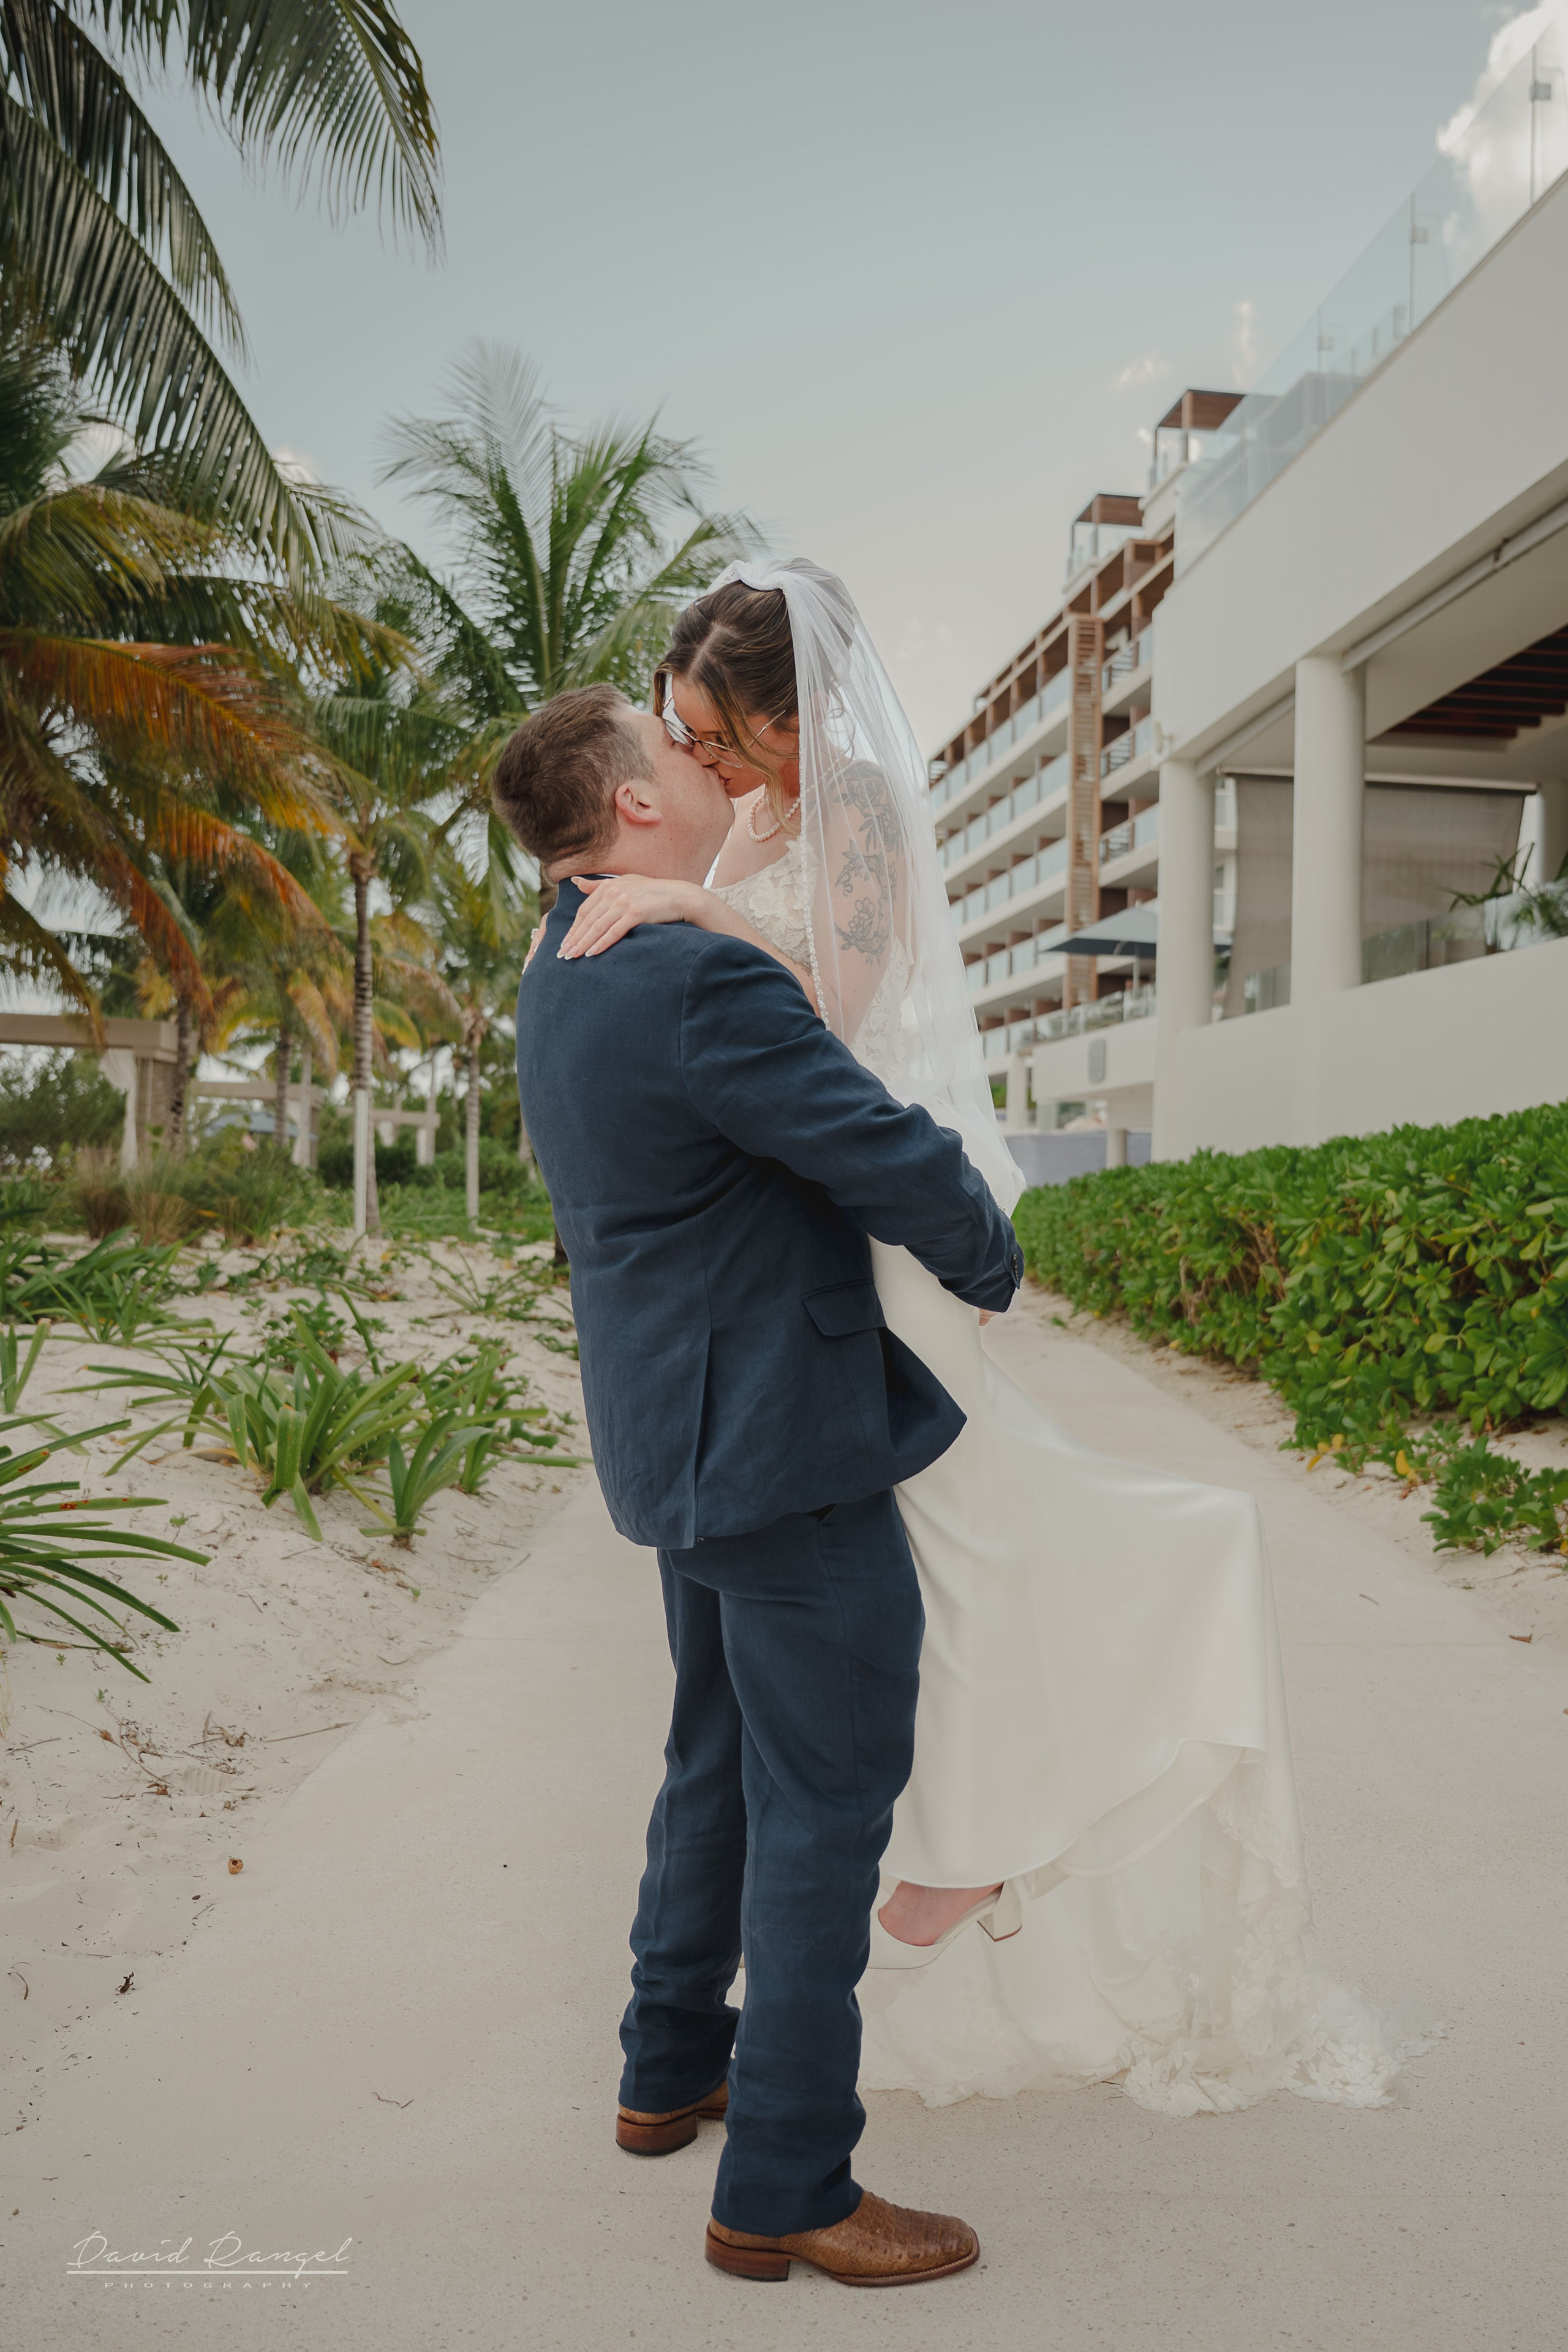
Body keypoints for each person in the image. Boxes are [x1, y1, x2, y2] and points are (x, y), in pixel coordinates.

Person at [551, 557, 1414, 2117]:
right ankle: (964, 1847)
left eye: (716, 729)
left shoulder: (854, 814)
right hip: (787, 1292)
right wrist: (705, 886)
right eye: (679, 731)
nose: (701, 759)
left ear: (782, 712)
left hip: (846, 1257)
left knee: (966, 1550)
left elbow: (836, 1026)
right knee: (918, 1580)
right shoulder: (746, 825)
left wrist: (693, 903)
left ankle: (948, 1859)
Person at [494, 682, 1024, 2288]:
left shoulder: (566, 957)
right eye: (677, 751)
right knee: (827, 1802)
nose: (706, 763)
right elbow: (870, 1142)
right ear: (634, 803)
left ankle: (670, 2069)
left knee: (715, 1757)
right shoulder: (678, 974)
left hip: (678, 1437)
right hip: (781, 1443)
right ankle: (789, 2181)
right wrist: (989, 1253)